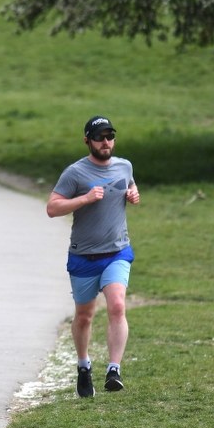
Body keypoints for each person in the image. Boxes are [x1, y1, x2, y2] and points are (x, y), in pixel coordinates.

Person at [46, 116, 140, 398]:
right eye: (99, 137)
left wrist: (133, 193)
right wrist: (84, 199)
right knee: (85, 316)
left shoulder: (125, 166)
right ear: (88, 140)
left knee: (117, 305)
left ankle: (114, 369)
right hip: (84, 256)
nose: (105, 141)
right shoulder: (75, 173)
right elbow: (52, 208)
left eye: (110, 136)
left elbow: (129, 184)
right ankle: (84, 366)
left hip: (117, 252)